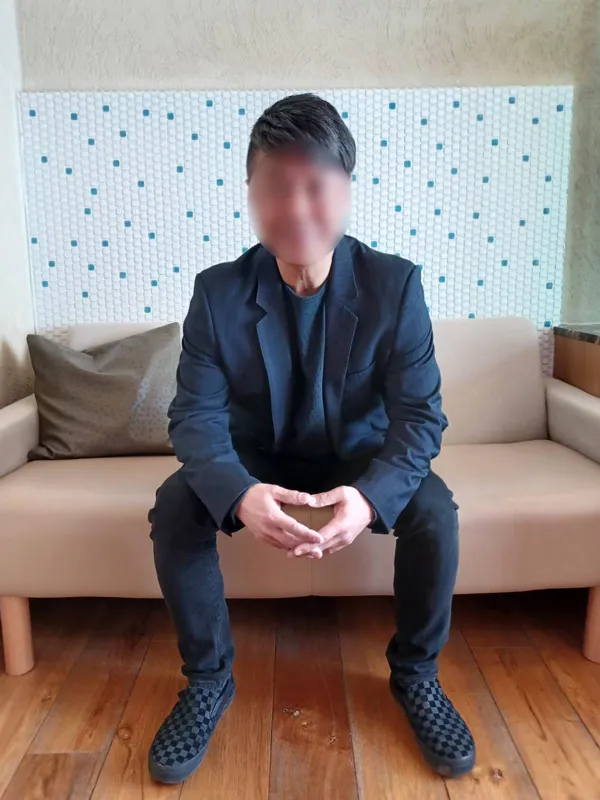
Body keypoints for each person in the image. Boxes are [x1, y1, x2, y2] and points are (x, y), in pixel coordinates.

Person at [147, 92, 475, 784]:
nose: (295, 207)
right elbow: (194, 418)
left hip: (358, 456)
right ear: (251, 194)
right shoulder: (217, 293)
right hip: (256, 458)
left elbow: (420, 417)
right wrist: (238, 494)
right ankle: (208, 681)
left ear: (346, 190)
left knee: (436, 511)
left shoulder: (394, 286)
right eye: (275, 186)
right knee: (176, 505)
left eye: (315, 185)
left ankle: (416, 674)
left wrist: (369, 497)